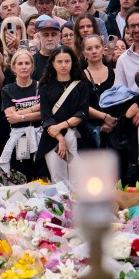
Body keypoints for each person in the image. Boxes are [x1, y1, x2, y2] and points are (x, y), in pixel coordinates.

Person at [37, 45, 90, 185]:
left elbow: (83, 112)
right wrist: (60, 138)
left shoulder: (82, 85)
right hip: (52, 138)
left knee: (78, 181)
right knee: (58, 181)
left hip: (77, 136)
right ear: (53, 63)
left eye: (67, 61)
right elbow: (46, 116)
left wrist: (61, 126)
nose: (64, 65)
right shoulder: (45, 86)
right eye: (59, 61)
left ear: (73, 63)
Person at [0, 49, 44, 180]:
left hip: (39, 134)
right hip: (21, 138)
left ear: (32, 66)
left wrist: (20, 116)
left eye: (27, 63)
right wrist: (34, 108)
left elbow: (43, 114)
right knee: (22, 175)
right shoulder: (8, 89)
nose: (24, 67)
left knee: (40, 175)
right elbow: (11, 118)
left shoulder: (40, 86)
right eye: (20, 64)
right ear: (14, 67)